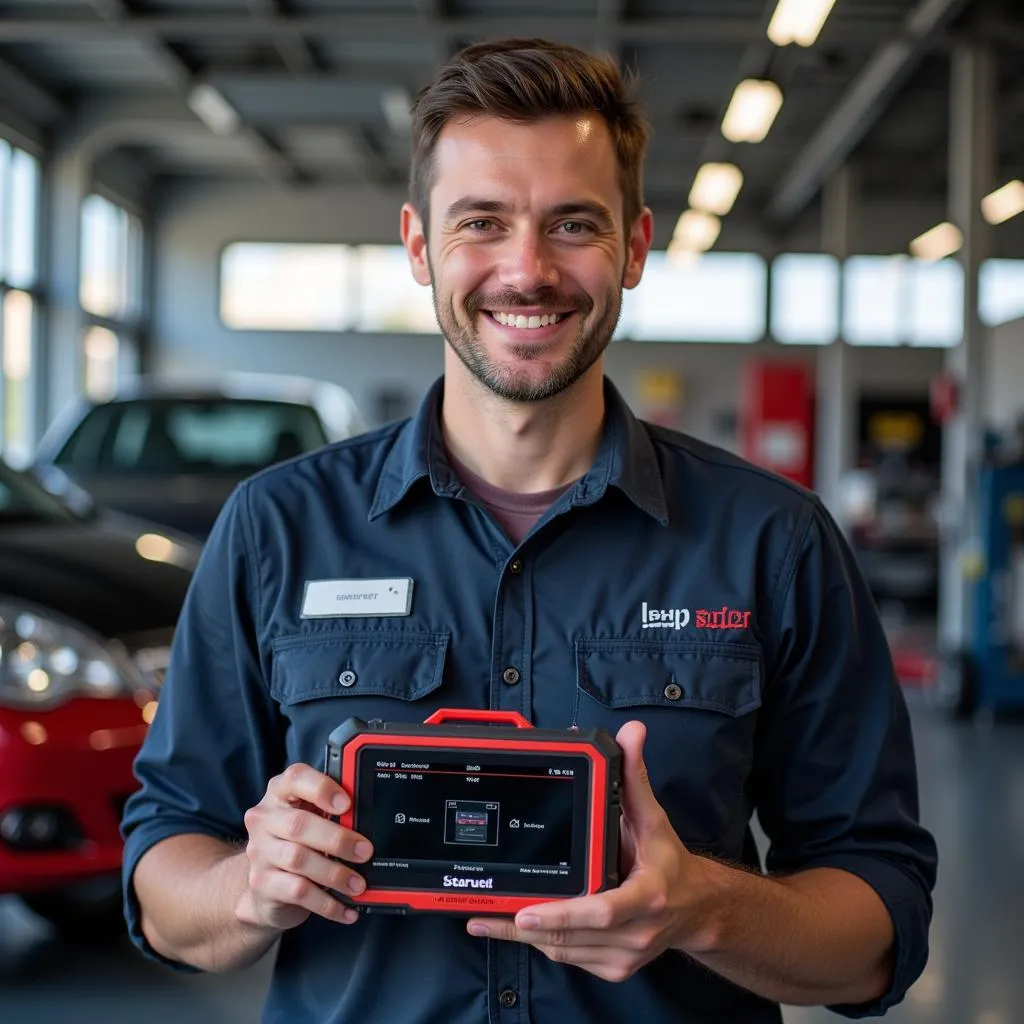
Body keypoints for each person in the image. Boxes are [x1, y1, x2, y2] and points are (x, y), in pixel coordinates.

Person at [122, 37, 937, 1024]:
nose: (527, 269)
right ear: (419, 246)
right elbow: (166, 870)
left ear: (634, 247)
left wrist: (701, 909)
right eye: (482, 223)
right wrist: (250, 881)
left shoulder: (773, 542)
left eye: (572, 225)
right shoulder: (277, 529)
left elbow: (876, 922)